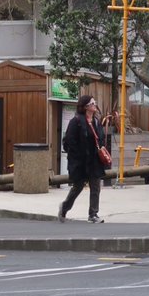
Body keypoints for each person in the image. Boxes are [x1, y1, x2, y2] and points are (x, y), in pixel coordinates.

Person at [59, 94, 106, 224]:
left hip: (94, 160)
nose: (95, 104)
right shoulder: (76, 121)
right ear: (86, 107)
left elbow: (101, 138)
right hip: (80, 161)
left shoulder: (96, 121)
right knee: (78, 187)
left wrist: (101, 148)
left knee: (96, 186)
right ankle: (64, 207)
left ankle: (93, 214)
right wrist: (76, 155)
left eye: (94, 102)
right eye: (92, 103)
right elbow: (69, 140)